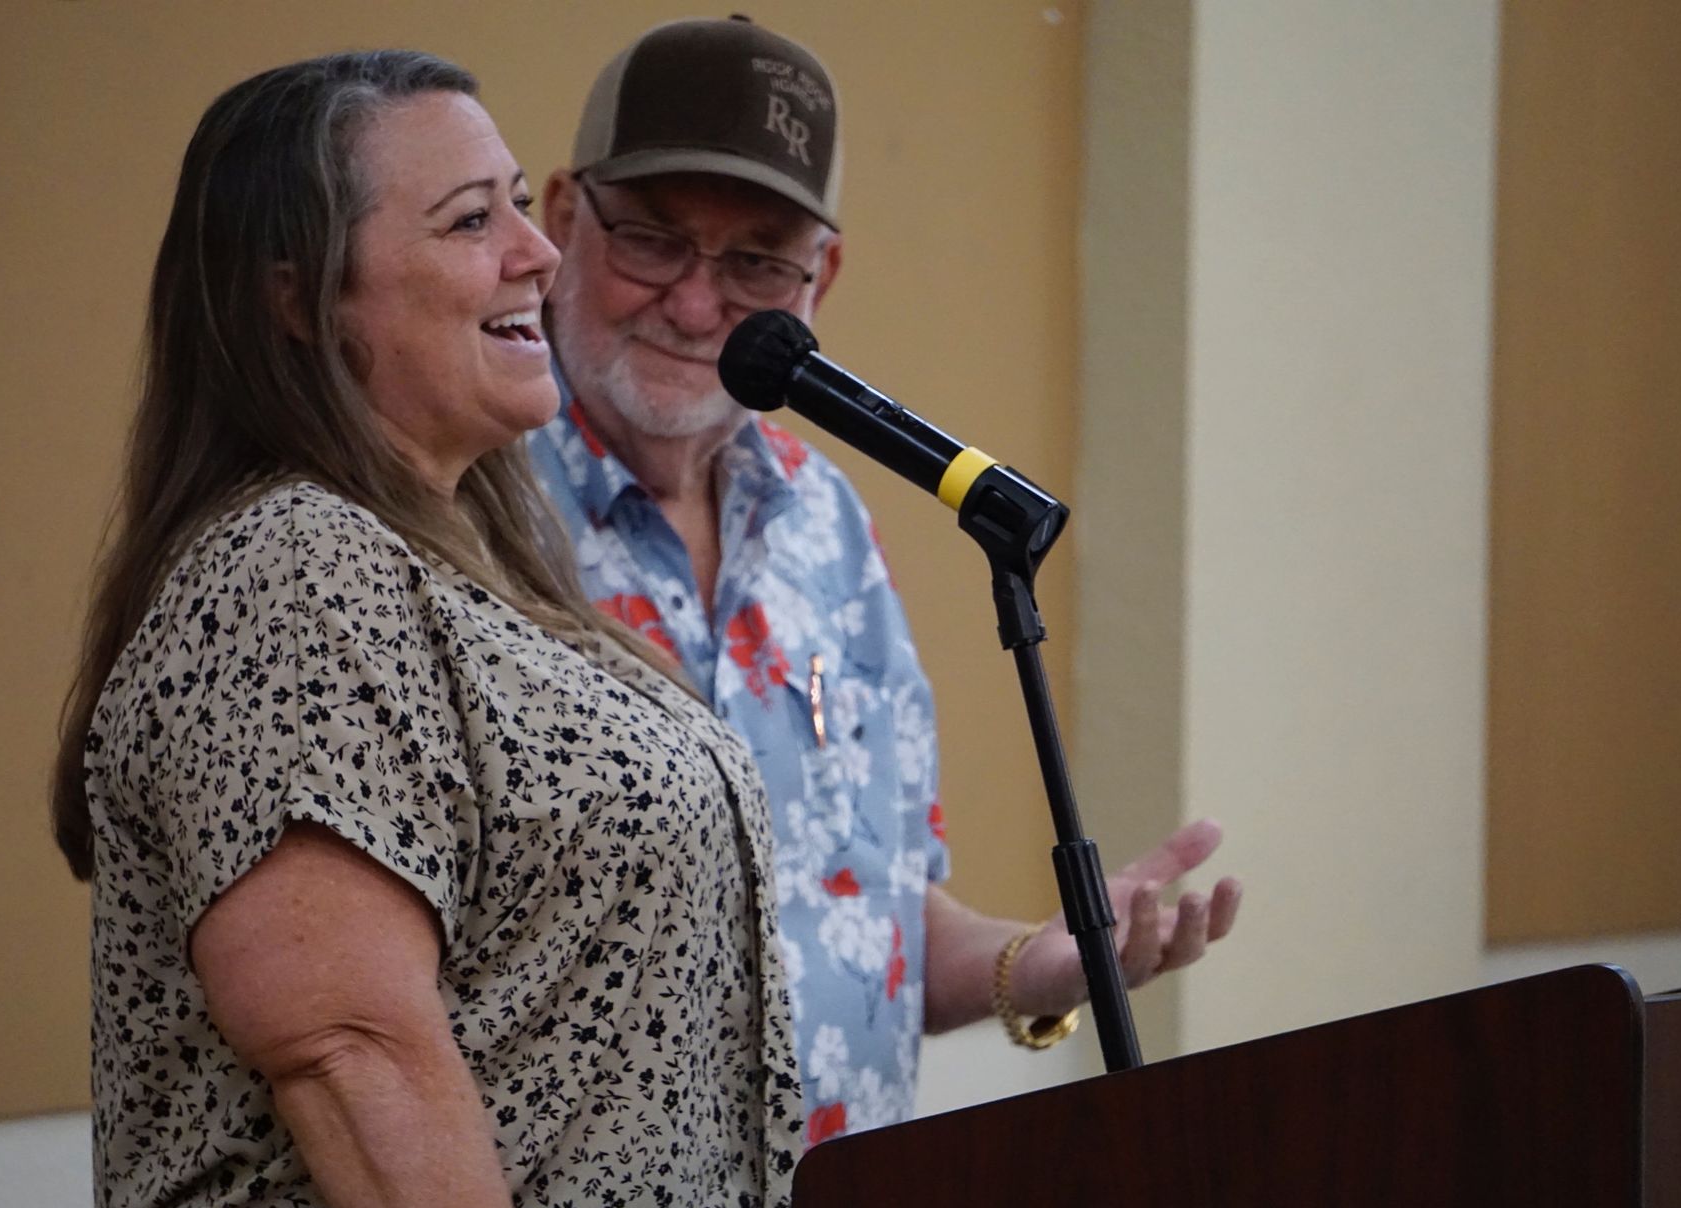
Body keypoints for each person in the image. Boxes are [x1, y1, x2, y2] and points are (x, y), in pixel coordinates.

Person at [52, 51, 803, 1208]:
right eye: (472, 220)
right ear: (299, 301)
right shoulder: (292, 567)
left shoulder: (474, 575)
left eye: (519, 200)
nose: (538, 253)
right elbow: (351, 1049)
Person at [528, 15, 1244, 1142]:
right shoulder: (463, 511)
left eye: (757, 259)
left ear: (824, 276)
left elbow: (871, 915)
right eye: (655, 239)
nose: (700, 304)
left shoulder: (831, 524)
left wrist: (1041, 963)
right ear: (564, 218)